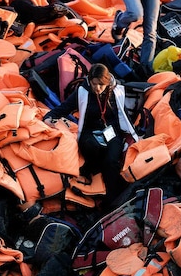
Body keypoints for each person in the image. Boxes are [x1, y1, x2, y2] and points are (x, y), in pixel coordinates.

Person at [43, 63, 137, 197]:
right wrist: (49, 117)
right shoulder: (82, 91)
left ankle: (113, 198)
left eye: (101, 85)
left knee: (110, 161)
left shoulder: (116, 91)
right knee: (91, 146)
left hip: (112, 132)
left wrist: (135, 135)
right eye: (94, 84)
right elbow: (65, 107)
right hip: (90, 130)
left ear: (107, 82)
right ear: (89, 81)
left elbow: (124, 115)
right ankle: (93, 170)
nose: (97, 88)